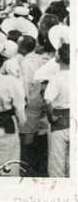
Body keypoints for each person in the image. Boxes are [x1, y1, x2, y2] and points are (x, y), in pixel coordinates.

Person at [44, 43, 69, 177]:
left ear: (59, 56)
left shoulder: (56, 77)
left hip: (59, 121)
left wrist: (51, 117)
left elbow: (48, 100)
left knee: (57, 163)